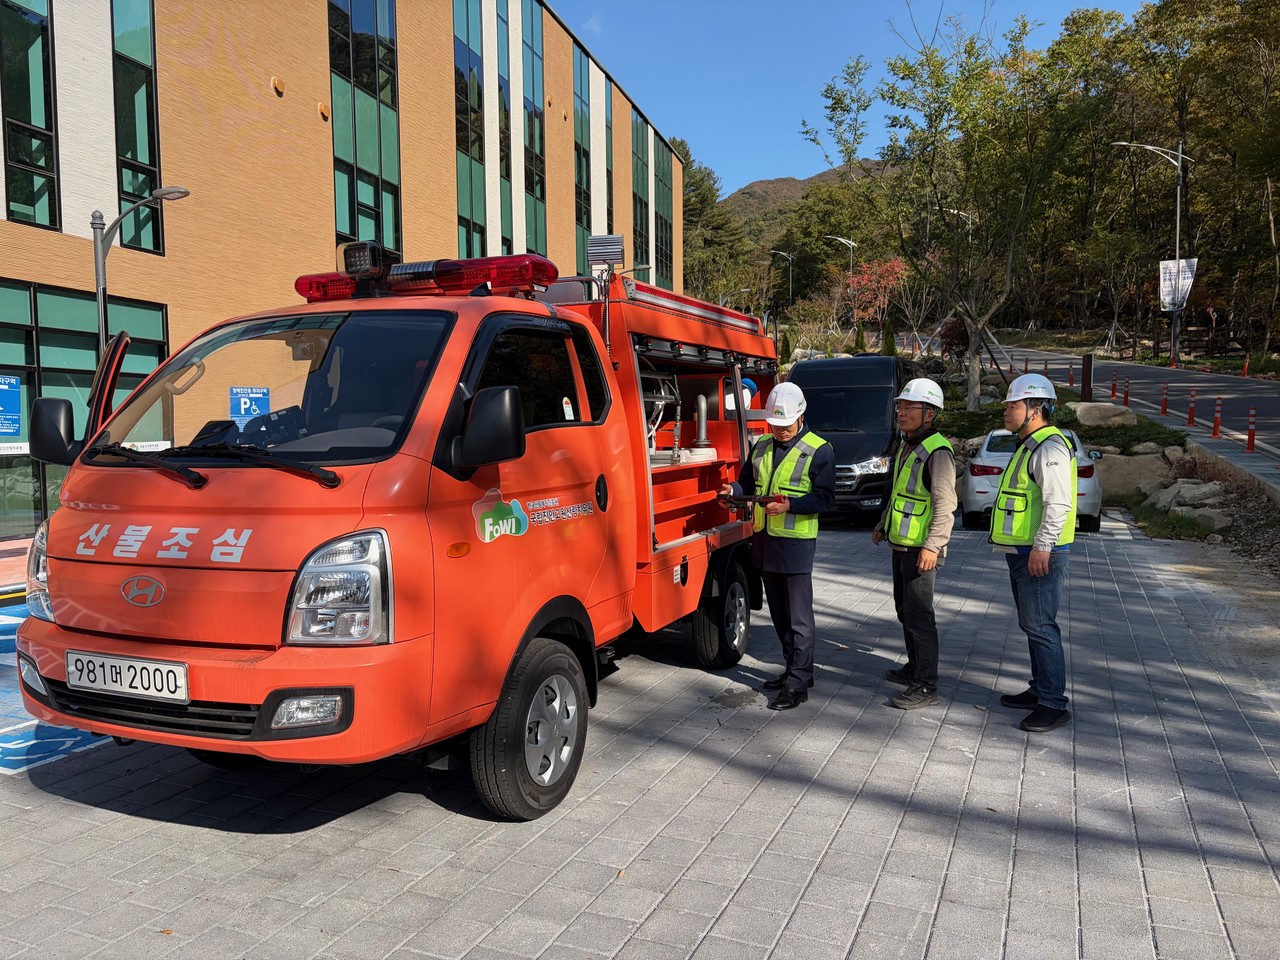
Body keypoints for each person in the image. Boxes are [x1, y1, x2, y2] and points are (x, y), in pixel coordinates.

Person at [719, 382, 835, 710]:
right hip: (765, 540)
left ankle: (798, 683)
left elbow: (826, 498)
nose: (780, 430)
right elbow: (748, 481)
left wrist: (790, 506)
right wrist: (733, 490)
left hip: (796, 545)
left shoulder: (819, 449)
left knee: (799, 618)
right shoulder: (761, 445)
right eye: (774, 424)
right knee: (781, 616)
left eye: (786, 425)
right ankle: (794, 670)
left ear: (801, 416)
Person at [991, 373, 1077, 733]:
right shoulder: (1030, 444)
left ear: (1035, 409)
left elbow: (1058, 503)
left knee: (1041, 626)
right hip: (1023, 551)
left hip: (1040, 553)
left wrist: (1043, 546)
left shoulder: (1050, 447)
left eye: (1013, 405)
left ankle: (1053, 703)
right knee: (1033, 624)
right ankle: (1040, 689)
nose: (1006, 411)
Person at [873, 378, 956, 710]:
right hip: (901, 543)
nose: (902, 412)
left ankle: (926, 684)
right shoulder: (907, 444)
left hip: (921, 548)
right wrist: (883, 524)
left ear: (930, 413)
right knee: (904, 610)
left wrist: (933, 546)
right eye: (900, 406)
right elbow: (899, 493)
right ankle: (914, 667)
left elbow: (945, 504)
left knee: (920, 616)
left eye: (910, 407)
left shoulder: (938, 451)